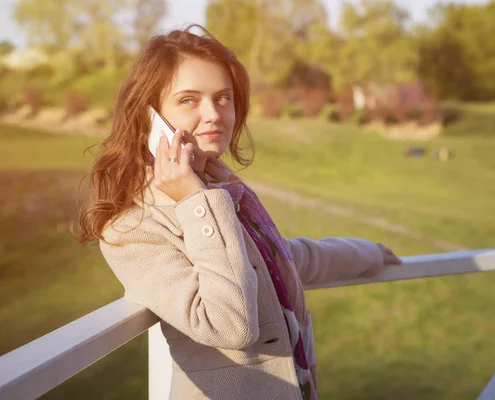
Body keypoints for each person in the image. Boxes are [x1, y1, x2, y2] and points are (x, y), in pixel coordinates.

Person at [77, 25, 402, 400]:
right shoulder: (133, 227)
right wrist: (195, 202)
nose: (213, 114)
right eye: (188, 100)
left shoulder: (223, 192)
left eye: (223, 98)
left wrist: (369, 254)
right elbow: (230, 325)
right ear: (149, 119)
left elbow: (284, 259)